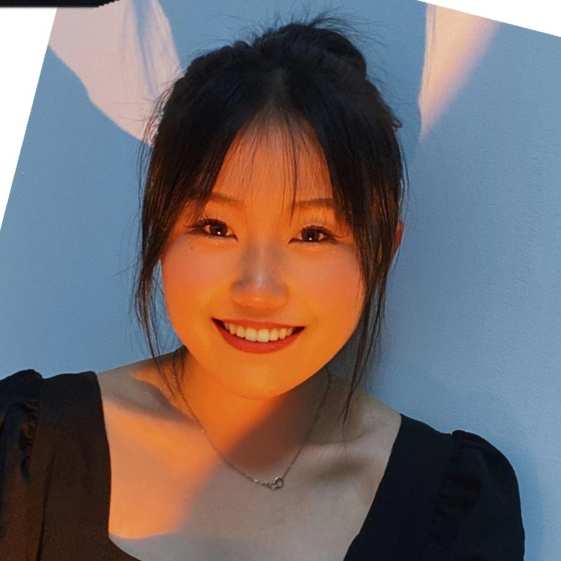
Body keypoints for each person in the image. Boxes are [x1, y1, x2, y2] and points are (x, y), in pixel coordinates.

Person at [0, 12, 524, 561]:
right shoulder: (27, 457)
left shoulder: (450, 513)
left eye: (313, 234)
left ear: (382, 251)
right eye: (215, 227)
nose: (257, 288)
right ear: (160, 225)